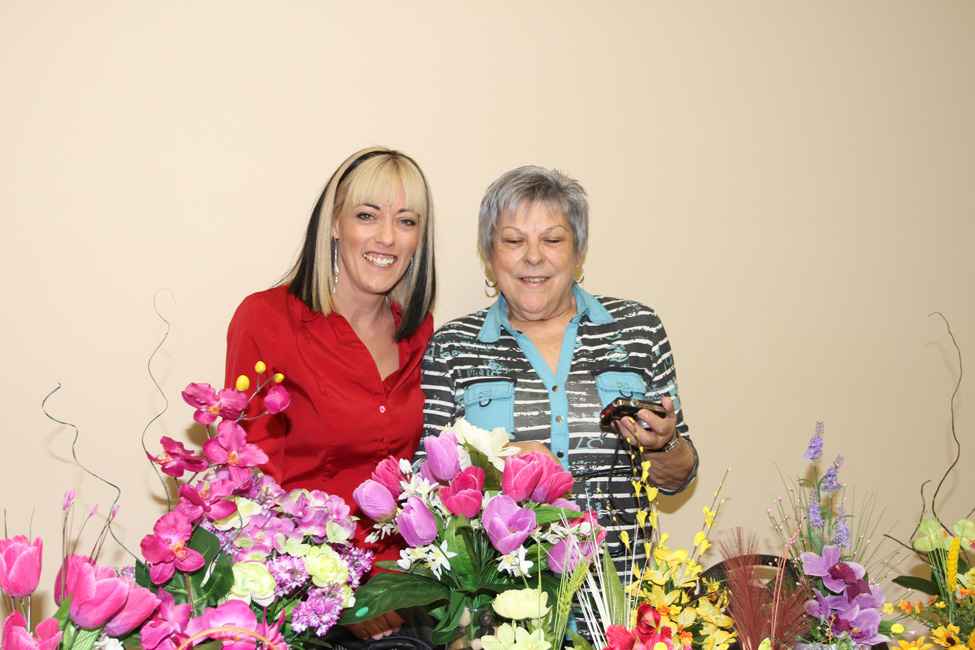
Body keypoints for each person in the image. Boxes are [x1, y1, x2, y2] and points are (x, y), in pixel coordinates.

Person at [421, 165, 697, 564]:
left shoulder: (638, 330)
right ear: (488, 255)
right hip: (505, 604)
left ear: (578, 252)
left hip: (625, 602)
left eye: (552, 239)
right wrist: (502, 459)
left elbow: (677, 479)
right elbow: (428, 483)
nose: (533, 256)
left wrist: (664, 444)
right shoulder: (452, 347)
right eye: (514, 240)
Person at [225, 147, 436, 642]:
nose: (387, 237)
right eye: (368, 216)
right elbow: (249, 491)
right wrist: (338, 593)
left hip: (404, 594)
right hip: (303, 601)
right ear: (335, 223)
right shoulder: (267, 321)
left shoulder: (420, 331)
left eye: (406, 221)